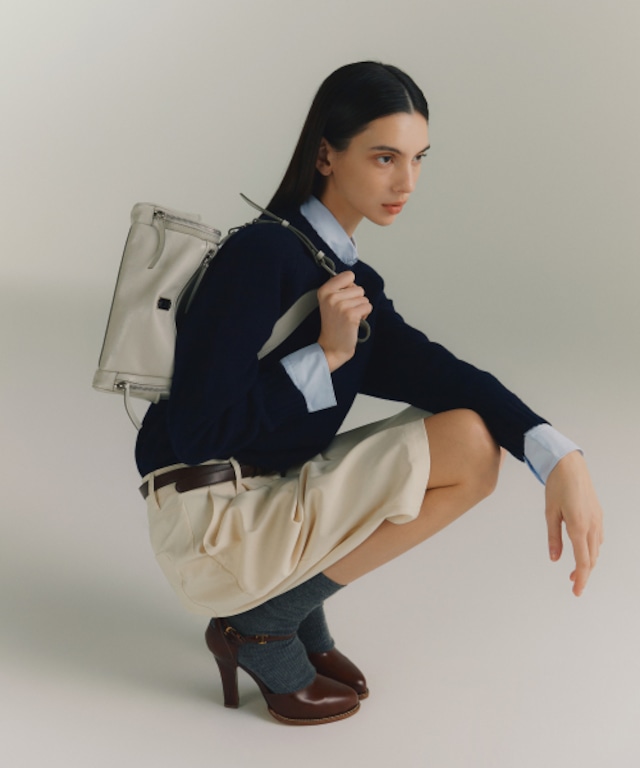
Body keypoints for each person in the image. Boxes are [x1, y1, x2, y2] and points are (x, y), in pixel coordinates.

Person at [135, 61, 603, 725]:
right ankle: (265, 622)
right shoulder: (261, 256)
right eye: (385, 158)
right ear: (326, 154)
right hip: (212, 524)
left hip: (261, 500)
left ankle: (293, 610)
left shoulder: (348, 279)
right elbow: (196, 432)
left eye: (418, 159)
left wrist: (560, 458)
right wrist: (325, 355)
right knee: (469, 447)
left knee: (470, 429)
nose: (406, 182)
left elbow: (447, 377)